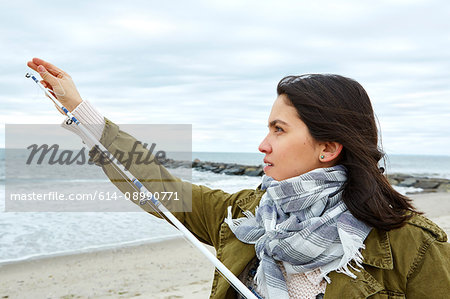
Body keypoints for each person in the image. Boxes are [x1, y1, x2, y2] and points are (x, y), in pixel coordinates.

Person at [27, 58, 450, 299]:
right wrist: (81, 112)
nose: (262, 144)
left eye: (278, 130)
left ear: (328, 147)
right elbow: (158, 188)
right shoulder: (245, 215)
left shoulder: (412, 244)